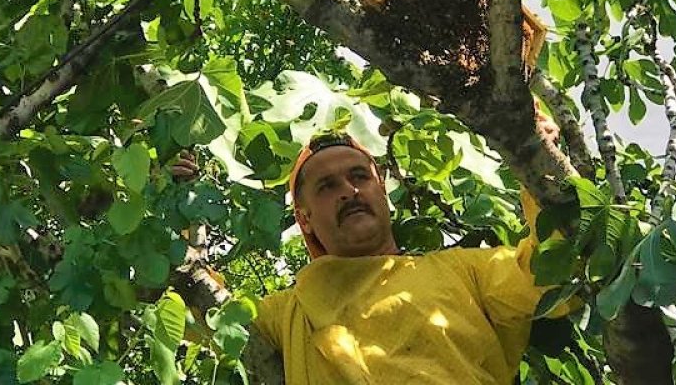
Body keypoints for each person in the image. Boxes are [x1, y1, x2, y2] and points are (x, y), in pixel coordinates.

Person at [171, 117, 574, 384]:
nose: (348, 191)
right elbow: (198, 307)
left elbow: (554, 274)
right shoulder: (289, 312)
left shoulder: (463, 271)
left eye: (359, 177)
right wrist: (176, 207)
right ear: (305, 219)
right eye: (327, 186)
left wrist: (541, 164)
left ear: (382, 192)